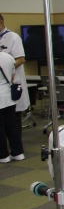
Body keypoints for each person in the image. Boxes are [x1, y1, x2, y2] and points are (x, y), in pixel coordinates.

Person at [0, 15, 30, 146]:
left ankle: (17, 148)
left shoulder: (13, 37)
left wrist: (8, 68)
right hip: (2, 86)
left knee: (13, 119)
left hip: (12, 83)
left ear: (1, 21)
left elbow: (21, 59)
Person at [0, 52, 24, 163]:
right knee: (12, 125)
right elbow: (12, 76)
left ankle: (3, 155)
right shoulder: (8, 57)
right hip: (9, 96)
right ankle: (18, 152)